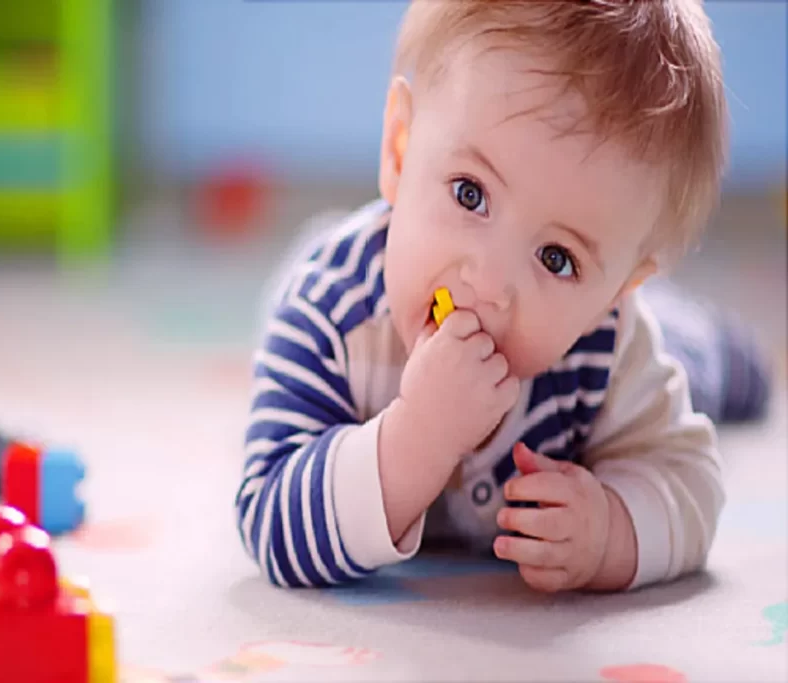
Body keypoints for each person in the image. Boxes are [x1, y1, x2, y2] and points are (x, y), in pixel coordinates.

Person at [234, 0, 772, 594]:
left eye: (556, 258)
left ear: (616, 291)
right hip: (334, 277)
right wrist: (416, 438)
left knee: (692, 364)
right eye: (470, 194)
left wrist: (610, 532)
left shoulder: (606, 342)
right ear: (399, 149)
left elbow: (690, 483)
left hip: (649, 337)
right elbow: (270, 518)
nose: (488, 287)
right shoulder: (330, 315)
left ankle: (709, 339)